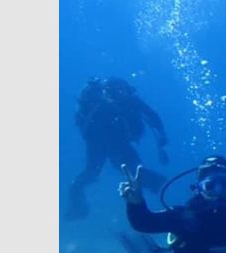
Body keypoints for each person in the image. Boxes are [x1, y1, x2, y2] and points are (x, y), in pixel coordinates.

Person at [66, 76, 170, 221]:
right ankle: (163, 189)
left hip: (97, 141)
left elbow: (152, 116)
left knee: (93, 171)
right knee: (133, 171)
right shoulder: (128, 101)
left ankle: (77, 206)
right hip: (115, 141)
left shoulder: (99, 105)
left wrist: (161, 139)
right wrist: (161, 138)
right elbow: (152, 116)